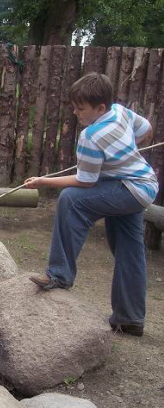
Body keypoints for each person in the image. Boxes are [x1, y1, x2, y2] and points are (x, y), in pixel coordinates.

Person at [25, 72, 158, 337]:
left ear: (101, 107)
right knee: (128, 248)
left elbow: (85, 183)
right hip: (144, 185)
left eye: (81, 108)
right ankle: (130, 319)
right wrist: (124, 149)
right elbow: (147, 131)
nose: (76, 113)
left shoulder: (91, 137)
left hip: (128, 188)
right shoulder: (121, 112)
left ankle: (59, 274)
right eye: (74, 106)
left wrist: (44, 181)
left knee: (71, 200)